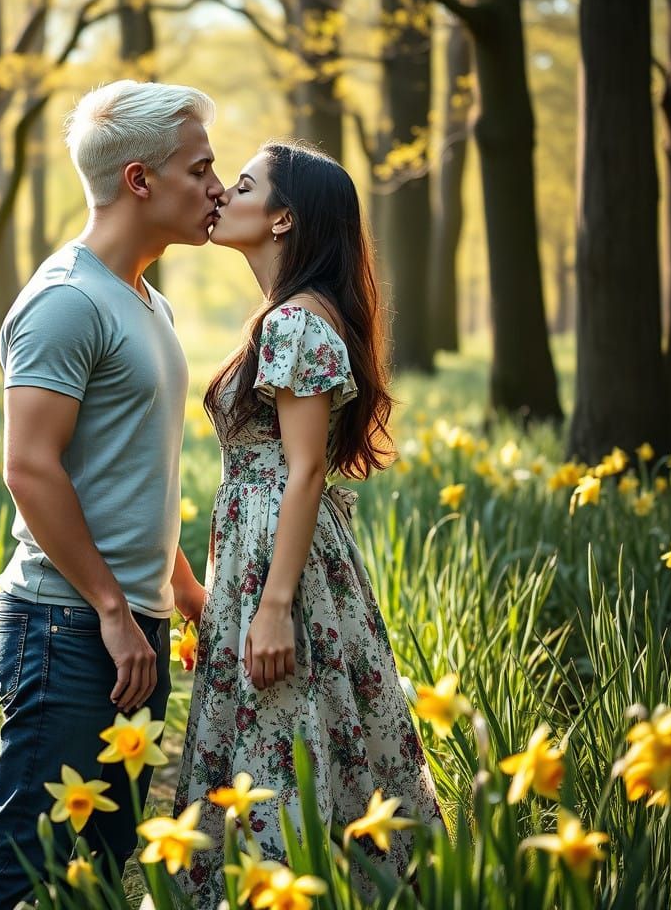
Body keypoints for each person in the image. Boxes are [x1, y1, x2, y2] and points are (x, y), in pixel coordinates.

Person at [0, 80, 221, 910]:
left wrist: (181, 593)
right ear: (140, 180)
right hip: (64, 625)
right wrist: (111, 608)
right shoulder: (67, 301)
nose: (218, 186)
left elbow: (128, 470)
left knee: (106, 866)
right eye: (200, 168)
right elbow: (30, 468)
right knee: (23, 852)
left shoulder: (149, 301)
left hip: (125, 624)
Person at [174, 140, 441, 904]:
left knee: (284, 742)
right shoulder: (293, 314)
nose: (223, 192)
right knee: (311, 734)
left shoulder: (293, 323)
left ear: (284, 218)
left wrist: (273, 606)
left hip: (285, 568)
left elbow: (304, 470)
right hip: (280, 559)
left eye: (245, 184)